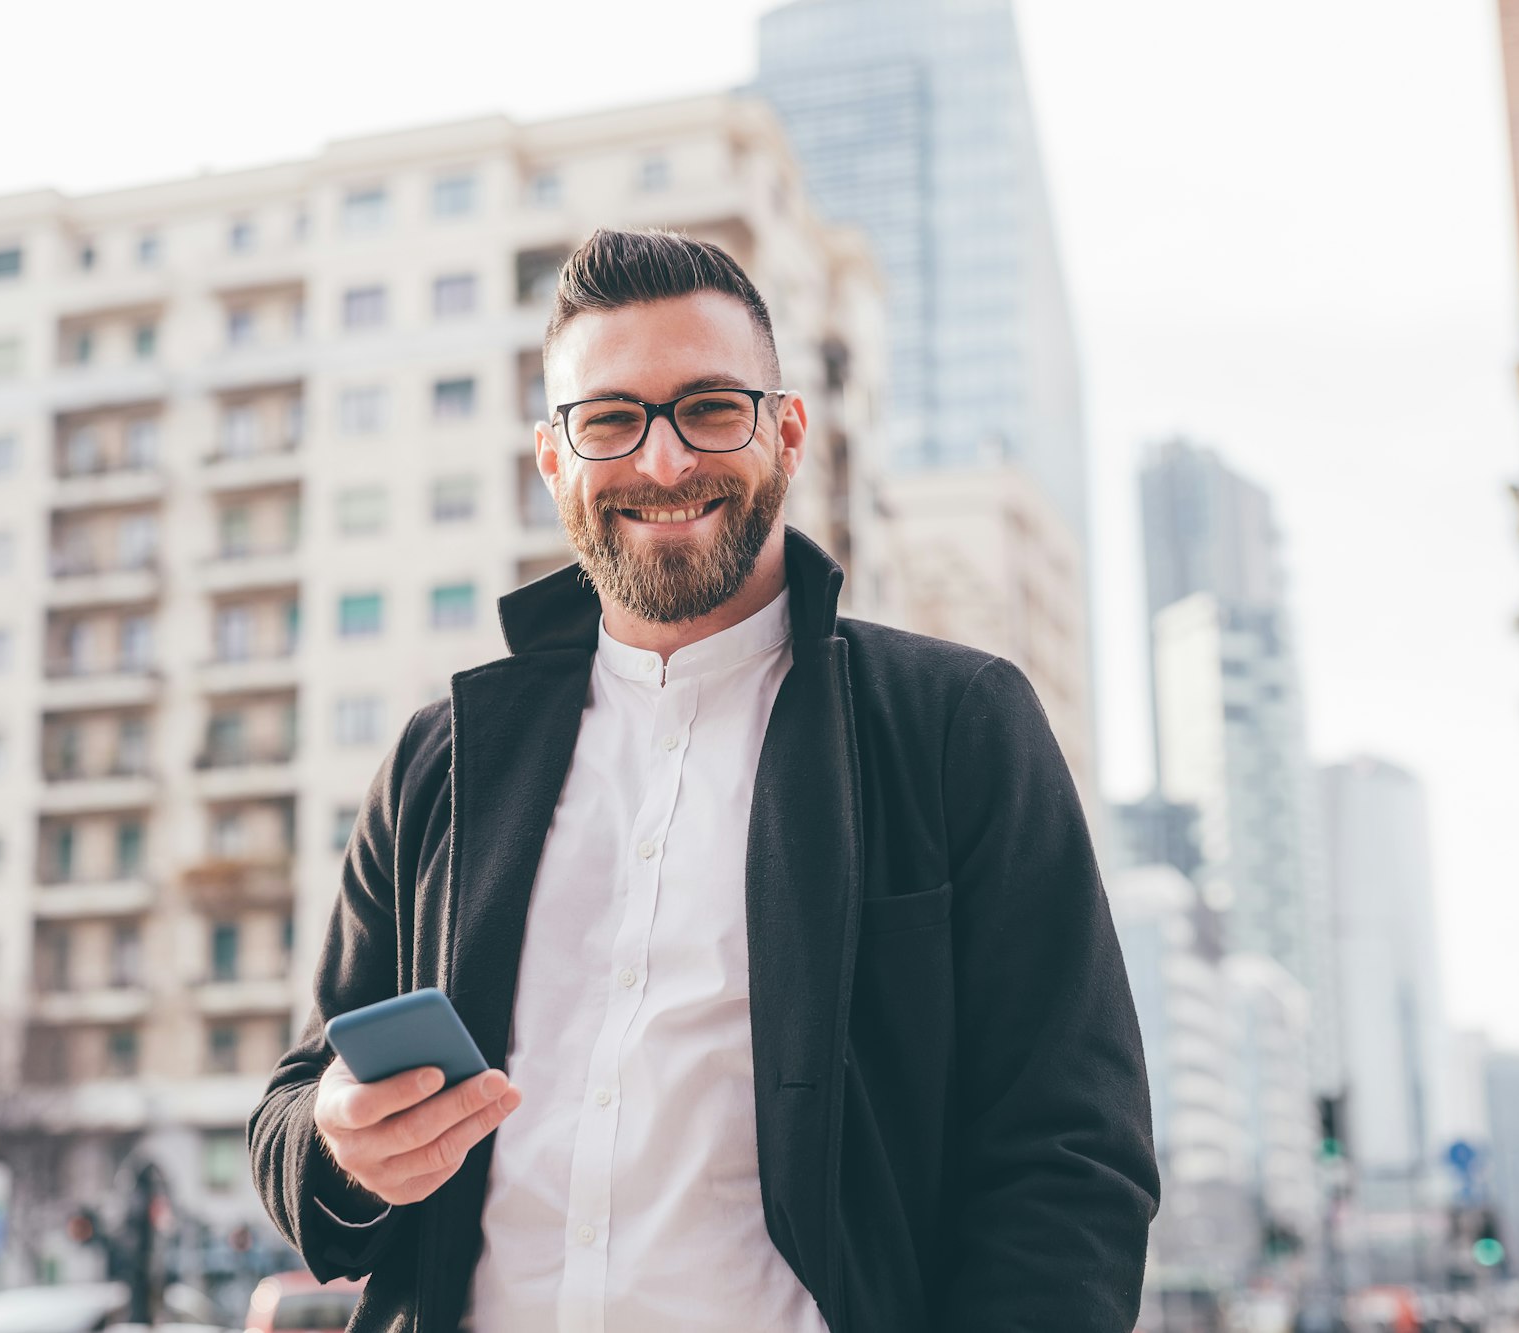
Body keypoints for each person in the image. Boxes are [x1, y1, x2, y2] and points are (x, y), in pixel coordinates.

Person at [249, 228, 1159, 1332]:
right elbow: (296, 1109)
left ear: (785, 432)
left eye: (709, 408)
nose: (664, 461)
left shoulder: (954, 725)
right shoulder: (439, 761)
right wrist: (342, 1141)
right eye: (611, 419)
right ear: (553, 460)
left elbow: (1068, 1156)